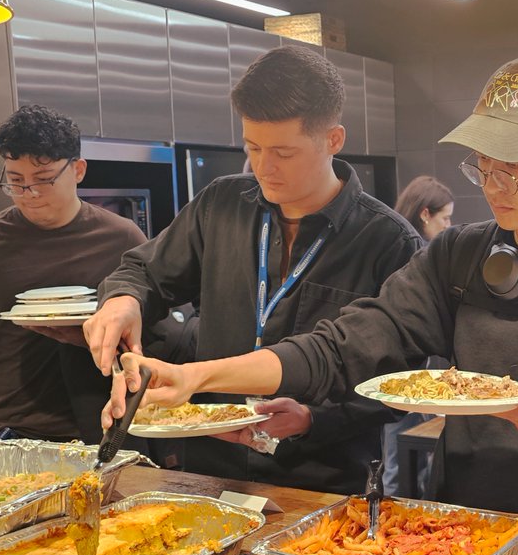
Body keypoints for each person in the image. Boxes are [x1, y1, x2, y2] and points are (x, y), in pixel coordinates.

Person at [102, 53, 518, 539]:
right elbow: (343, 348)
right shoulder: (457, 257)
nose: (493, 186)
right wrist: (197, 376)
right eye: (482, 167)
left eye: (512, 168)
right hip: (464, 531)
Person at [84, 45, 421, 493]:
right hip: (208, 464)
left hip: (319, 479)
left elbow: (403, 383)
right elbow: (144, 272)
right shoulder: (221, 204)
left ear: (333, 140)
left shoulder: (389, 241)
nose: (264, 167)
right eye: (253, 147)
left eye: (283, 151)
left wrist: (314, 418)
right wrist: (123, 300)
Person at [0, 104, 145, 443]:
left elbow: (149, 337)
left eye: (43, 180)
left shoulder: (123, 237)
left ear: (78, 170)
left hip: (103, 422)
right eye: (15, 181)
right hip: (10, 427)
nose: (28, 194)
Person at [382, 174, 455, 496]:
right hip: (401, 378)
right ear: (425, 213)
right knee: (399, 464)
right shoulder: (410, 254)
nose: (449, 225)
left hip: (405, 379)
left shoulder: (399, 244)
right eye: (445, 218)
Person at [394, 175, 454, 241]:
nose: (448, 226)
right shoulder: (420, 248)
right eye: (445, 218)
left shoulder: (394, 241)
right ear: (425, 215)